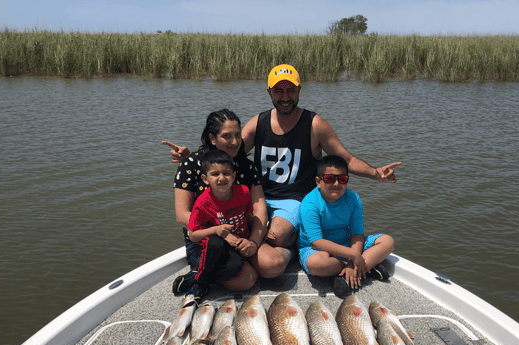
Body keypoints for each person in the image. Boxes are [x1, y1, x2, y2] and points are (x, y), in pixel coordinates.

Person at [163, 64, 401, 279]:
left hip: (295, 200)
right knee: (254, 231)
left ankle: (294, 250)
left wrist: (375, 173)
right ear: (269, 92)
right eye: (279, 91)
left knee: (274, 234)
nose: (285, 97)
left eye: (291, 90)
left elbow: (344, 158)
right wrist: (192, 157)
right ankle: (271, 255)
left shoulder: (315, 124)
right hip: (262, 197)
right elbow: (227, 152)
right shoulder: (258, 123)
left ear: (299, 90)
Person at [164, 109, 265, 297]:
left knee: (271, 266)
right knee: (246, 280)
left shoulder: (245, 166)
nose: (235, 142)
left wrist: (253, 241)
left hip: (242, 232)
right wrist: (225, 235)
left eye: (237, 135)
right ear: (212, 138)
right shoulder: (191, 164)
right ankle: (199, 276)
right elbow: (182, 215)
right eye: (226, 136)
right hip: (207, 240)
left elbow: (258, 207)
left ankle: (211, 272)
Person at [298, 155, 395, 298]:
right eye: (330, 178)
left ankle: (348, 273)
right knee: (318, 264)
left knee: (387, 241)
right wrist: (354, 255)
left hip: (345, 243)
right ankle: (364, 268)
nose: (337, 183)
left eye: (342, 179)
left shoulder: (353, 199)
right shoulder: (309, 204)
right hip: (315, 249)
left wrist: (351, 262)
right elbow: (316, 242)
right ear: (318, 181)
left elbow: (356, 235)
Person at [175, 150, 259, 299]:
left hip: (238, 241)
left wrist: (260, 233)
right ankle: (200, 282)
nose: (221, 178)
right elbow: (193, 235)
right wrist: (216, 230)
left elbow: (248, 215)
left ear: (234, 176)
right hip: (218, 244)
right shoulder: (202, 203)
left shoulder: (244, 192)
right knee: (214, 244)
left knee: (235, 267)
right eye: (215, 174)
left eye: (226, 173)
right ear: (205, 178)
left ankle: (197, 275)